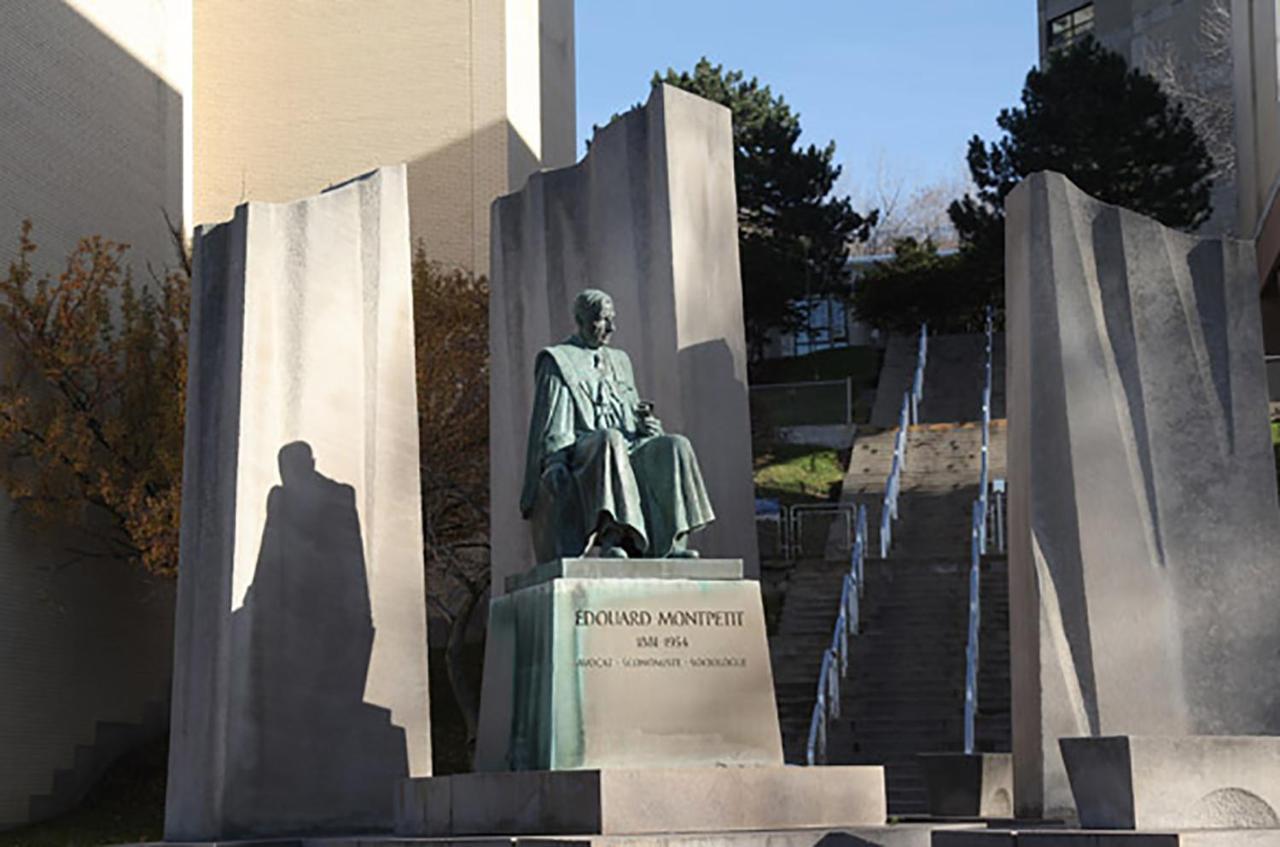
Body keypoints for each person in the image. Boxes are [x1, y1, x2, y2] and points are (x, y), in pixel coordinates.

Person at [519, 288, 715, 561]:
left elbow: (632, 413)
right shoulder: (558, 360)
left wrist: (647, 427)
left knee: (675, 445)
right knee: (609, 440)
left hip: (628, 443)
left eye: (612, 319)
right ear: (581, 319)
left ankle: (671, 544)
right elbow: (554, 422)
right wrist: (555, 461)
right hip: (585, 450)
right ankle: (613, 537)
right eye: (602, 320)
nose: (611, 328)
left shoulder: (621, 360)